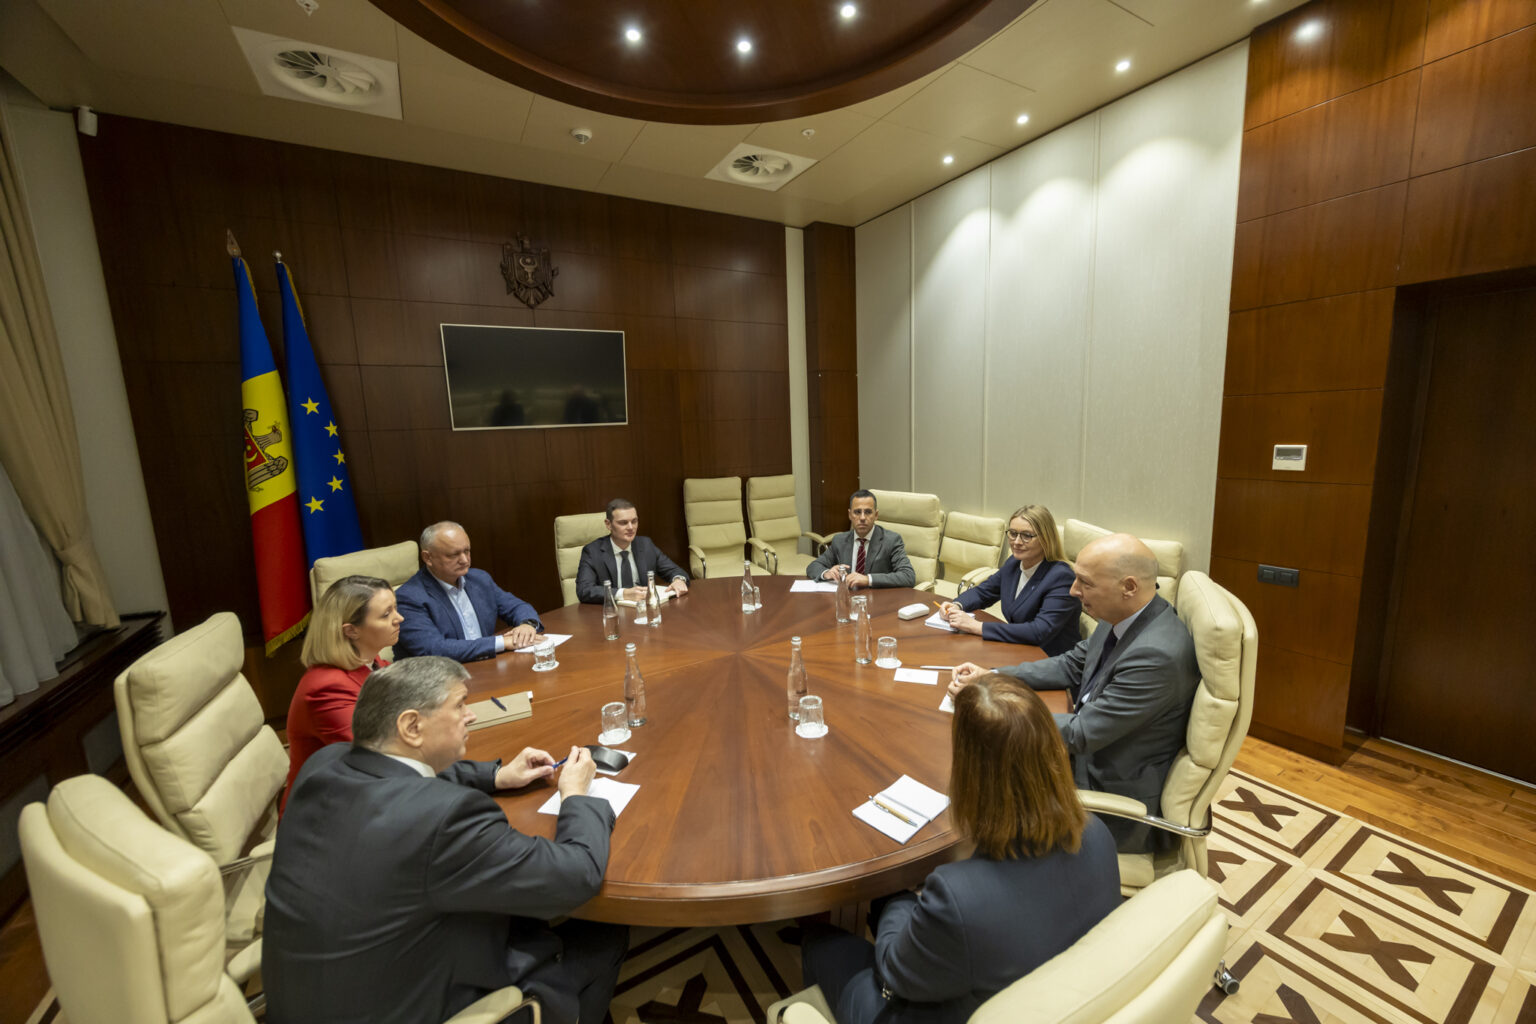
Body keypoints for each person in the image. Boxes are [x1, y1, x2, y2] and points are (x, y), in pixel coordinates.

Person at [265, 656, 627, 1024]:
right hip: (409, 1006)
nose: (471, 715)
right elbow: (577, 875)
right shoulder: (443, 818)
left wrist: (498, 776)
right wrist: (575, 794)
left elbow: (403, 776)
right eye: (459, 705)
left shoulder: (325, 764)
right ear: (412, 726)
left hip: (312, 997)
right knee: (602, 938)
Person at [801, 674, 1119, 1024]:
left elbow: (893, 970)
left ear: (971, 774)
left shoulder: (958, 898)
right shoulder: (1098, 835)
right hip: (1056, 997)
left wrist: (900, 896)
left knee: (819, 941)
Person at [948, 533, 1198, 853]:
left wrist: (992, 707)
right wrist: (992, 677)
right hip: (1087, 759)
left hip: (1109, 801)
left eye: (1085, 582)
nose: (1073, 590)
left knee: (982, 791)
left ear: (1129, 587)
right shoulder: (1123, 615)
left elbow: (1081, 733)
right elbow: (1072, 664)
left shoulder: (1156, 656)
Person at [281, 574, 400, 810]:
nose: (399, 618)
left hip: (370, 792)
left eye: (395, 609)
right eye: (386, 614)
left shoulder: (371, 662)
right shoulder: (326, 688)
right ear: (351, 631)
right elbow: (377, 759)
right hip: (330, 813)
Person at [938, 503, 1080, 655]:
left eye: (1027, 535)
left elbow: (1039, 631)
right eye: (1013, 533)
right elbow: (984, 592)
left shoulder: (1061, 577)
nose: (1017, 542)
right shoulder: (1014, 563)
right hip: (1018, 647)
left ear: (1046, 538)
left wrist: (977, 626)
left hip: (1049, 657)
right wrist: (957, 605)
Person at [395, 521, 544, 661]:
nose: (465, 560)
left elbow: (517, 606)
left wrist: (527, 625)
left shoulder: (479, 579)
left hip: (486, 666)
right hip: (440, 675)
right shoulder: (408, 597)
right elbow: (434, 649)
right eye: (453, 555)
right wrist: (501, 642)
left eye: (467, 551)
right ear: (428, 557)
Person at [574, 498, 689, 604]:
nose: (631, 527)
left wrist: (679, 580)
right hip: (612, 612)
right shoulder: (593, 551)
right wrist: (623, 594)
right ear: (608, 524)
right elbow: (584, 590)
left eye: (634, 521)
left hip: (644, 610)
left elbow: (674, 570)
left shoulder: (645, 545)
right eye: (623, 523)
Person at [806, 489, 915, 588]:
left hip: (877, 599)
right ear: (850, 515)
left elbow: (908, 576)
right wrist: (827, 573)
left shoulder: (891, 540)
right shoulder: (840, 540)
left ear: (876, 515)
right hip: (847, 598)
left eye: (868, 512)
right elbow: (813, 566)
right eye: (857, 512)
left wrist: (868, 579)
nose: (862, 518)